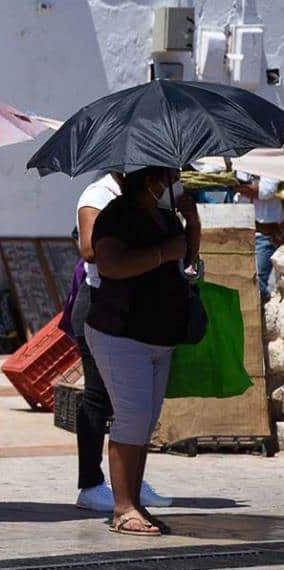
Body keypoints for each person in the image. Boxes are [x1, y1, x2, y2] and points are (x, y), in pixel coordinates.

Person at [84, 166, 200, 536]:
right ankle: (123, 509)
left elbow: (186, 258)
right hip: (121, 332)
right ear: (150, 183)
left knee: (145, 422)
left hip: (158, 335)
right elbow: (110, 264)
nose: (171, 185)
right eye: (167, 179)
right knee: (131, 418)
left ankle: (135, 501)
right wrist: (164, 252)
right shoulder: (116, 217)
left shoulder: (166, 217)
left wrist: (192, 223)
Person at [72, 173, 172, 513]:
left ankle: (129, 481)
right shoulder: (100, 195)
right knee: (100, 399)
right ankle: (92, 483)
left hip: (139, 310)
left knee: (137, 408)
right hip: (104, 304)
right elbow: (89, 249)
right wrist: (153, 252)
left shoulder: (159, 207)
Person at [232, 172, 284, 300]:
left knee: (257, 282)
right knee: (240, 277)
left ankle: (265, 307)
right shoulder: (241, 165)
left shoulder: (267, 163)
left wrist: (236, 185)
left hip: (264, 235)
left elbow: (264, 191)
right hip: (242, 231)